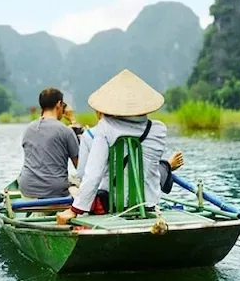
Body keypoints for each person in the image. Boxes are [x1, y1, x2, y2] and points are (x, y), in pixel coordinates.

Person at [57, 70, 184, 224]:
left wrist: (74, 210)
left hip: (114, 206)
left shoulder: (105, 128)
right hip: (150, 205)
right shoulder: (159, 129)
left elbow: (93, 174)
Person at [17, 88, 80, 199]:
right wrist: (73, 120)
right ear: (59, 104)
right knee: (77, 183)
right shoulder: (66, 131)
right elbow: (79, 167)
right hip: (55, 191)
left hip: (26, 188)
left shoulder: (29, 129)